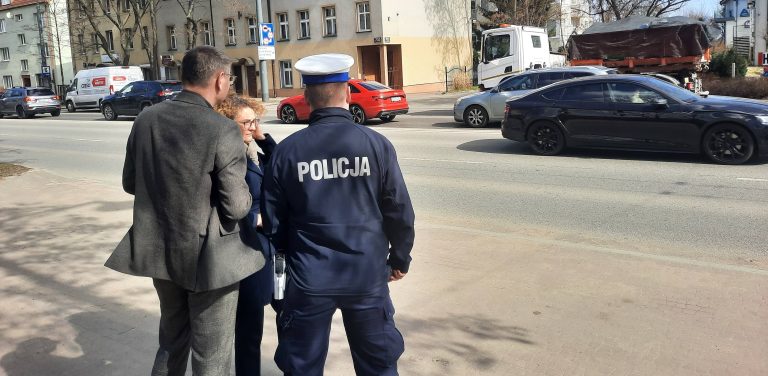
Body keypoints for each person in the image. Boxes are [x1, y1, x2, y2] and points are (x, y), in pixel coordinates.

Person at [105, 46, 264, 376]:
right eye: (230, 78)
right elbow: (236, 206)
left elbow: (131, 183)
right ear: (219, 79)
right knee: (212, 356)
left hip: (161, 251)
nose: (229, 83)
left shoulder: (146, 119)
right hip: (210, 259)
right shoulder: (222, 129)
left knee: (172, 341)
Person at [261, 53, 416, 376]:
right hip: (366, 274)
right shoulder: (376, 145)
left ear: (306, 97)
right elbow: (399, 211)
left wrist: (290, 256)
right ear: (347, 93)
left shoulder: (287, 151)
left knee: (301, 367)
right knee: (378, 365)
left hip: (309, 276)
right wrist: (399, 258)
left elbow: (273, 220)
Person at [216, 94, 277, 376]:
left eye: (255, 120)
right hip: (245, 248)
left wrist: (262, 138)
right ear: (229, 125)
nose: (253, 126)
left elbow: (279, 166)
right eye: (246, 122)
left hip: (270, 247)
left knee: (286, 313)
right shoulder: (227, 158)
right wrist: (256, 219)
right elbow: (220, 204)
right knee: (249, 327)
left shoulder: (254, 151)